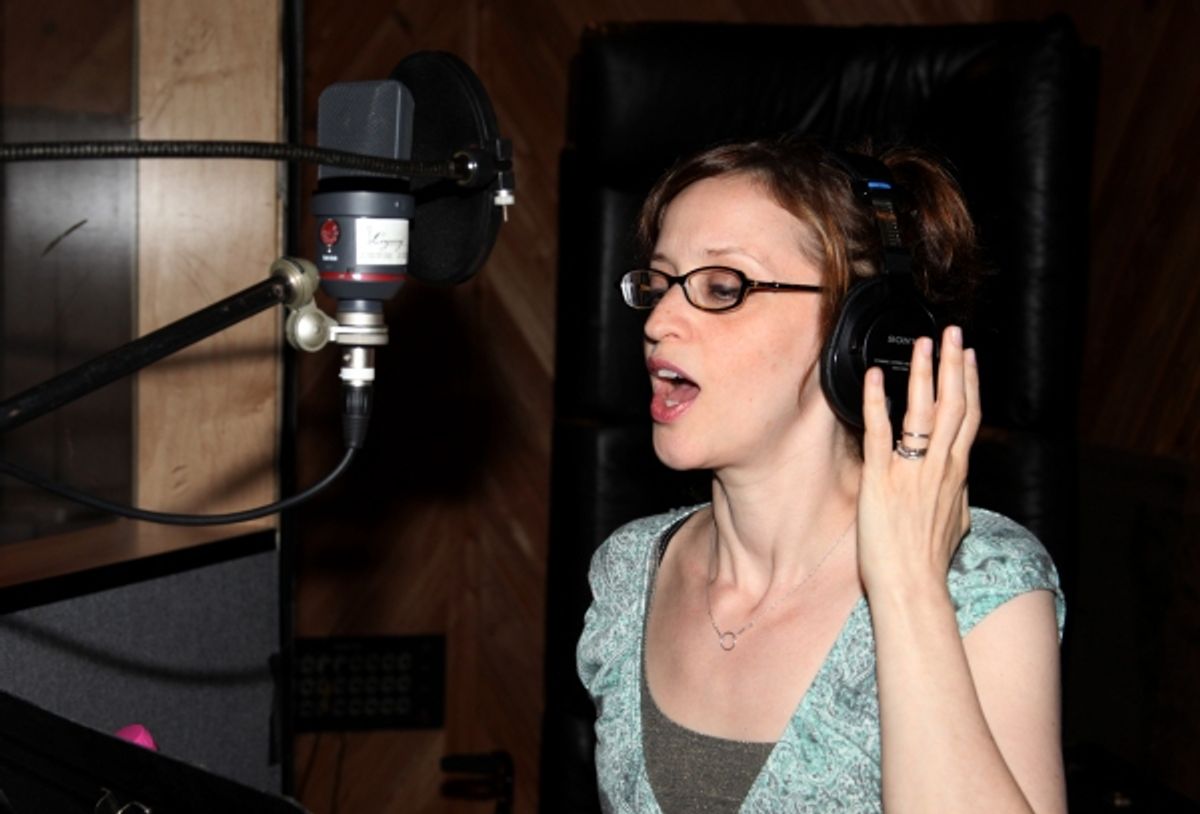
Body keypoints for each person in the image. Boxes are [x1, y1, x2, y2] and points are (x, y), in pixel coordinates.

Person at [576, 136, 1066, 813]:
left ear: (860, 331)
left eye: (722, 287)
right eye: (658, 286)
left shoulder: (982, 583)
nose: (659, 321)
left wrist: (908, 587)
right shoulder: (629, 574)